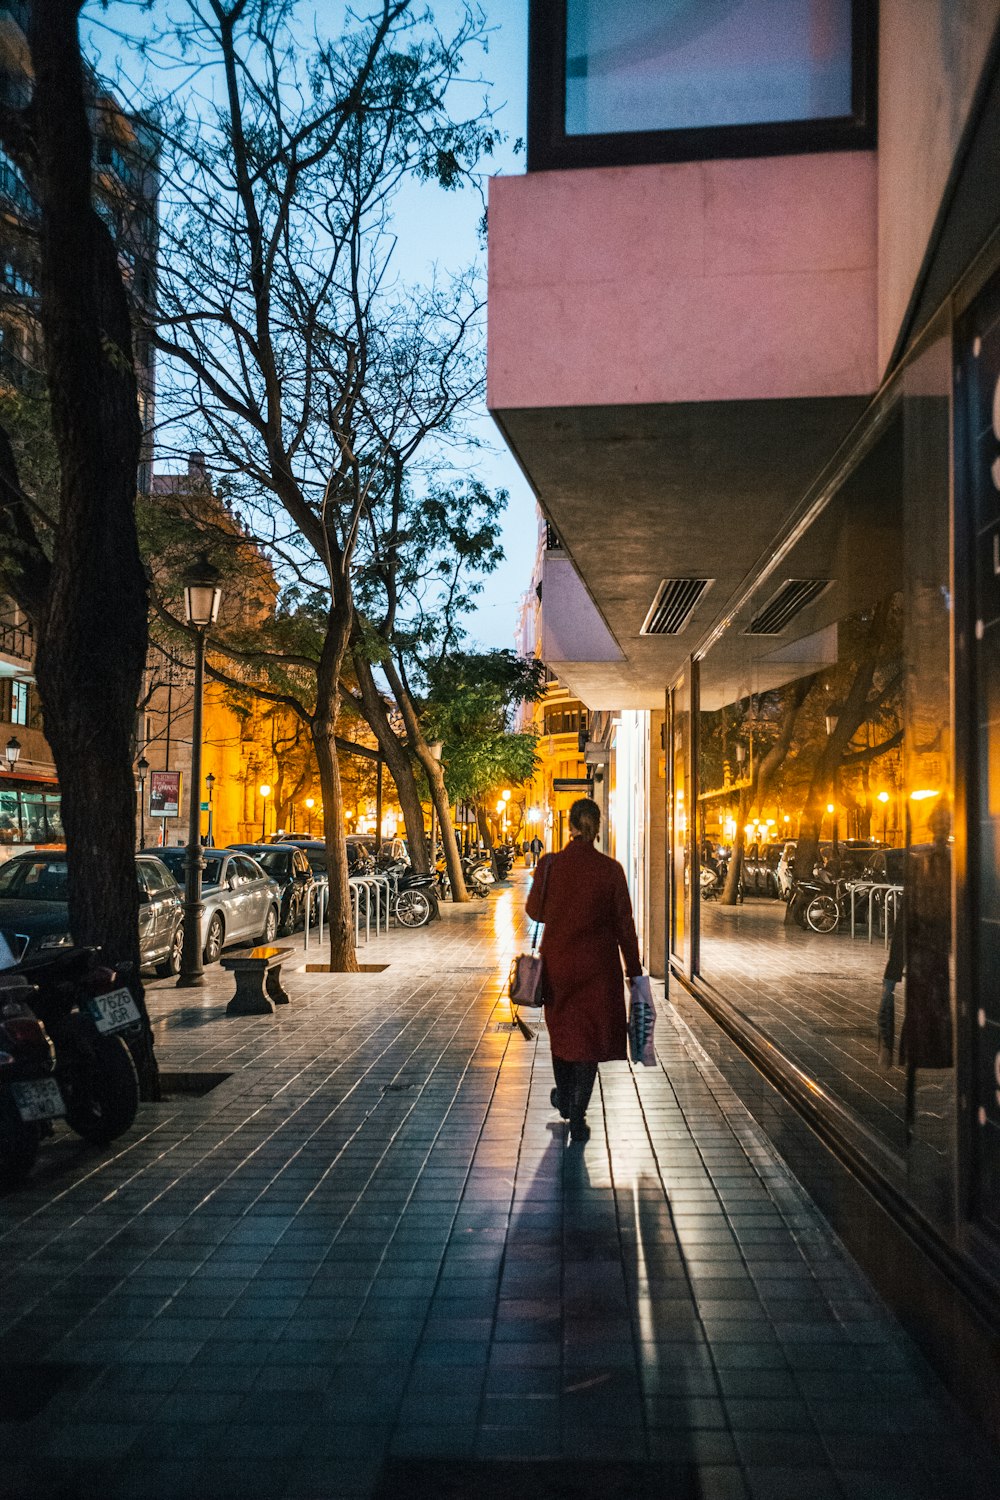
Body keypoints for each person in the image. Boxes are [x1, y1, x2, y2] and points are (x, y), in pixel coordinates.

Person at [525, 797, 642, 1143]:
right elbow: (625, 926)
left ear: (571, 826)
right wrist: (634, 972)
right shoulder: (611, 870)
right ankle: (577, 1114)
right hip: (598, 971)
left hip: (558, 967)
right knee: (588, 1043)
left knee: (562, 1035)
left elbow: (535, 911)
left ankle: (565, 1097)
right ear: (597, 828)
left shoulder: (550, 865)